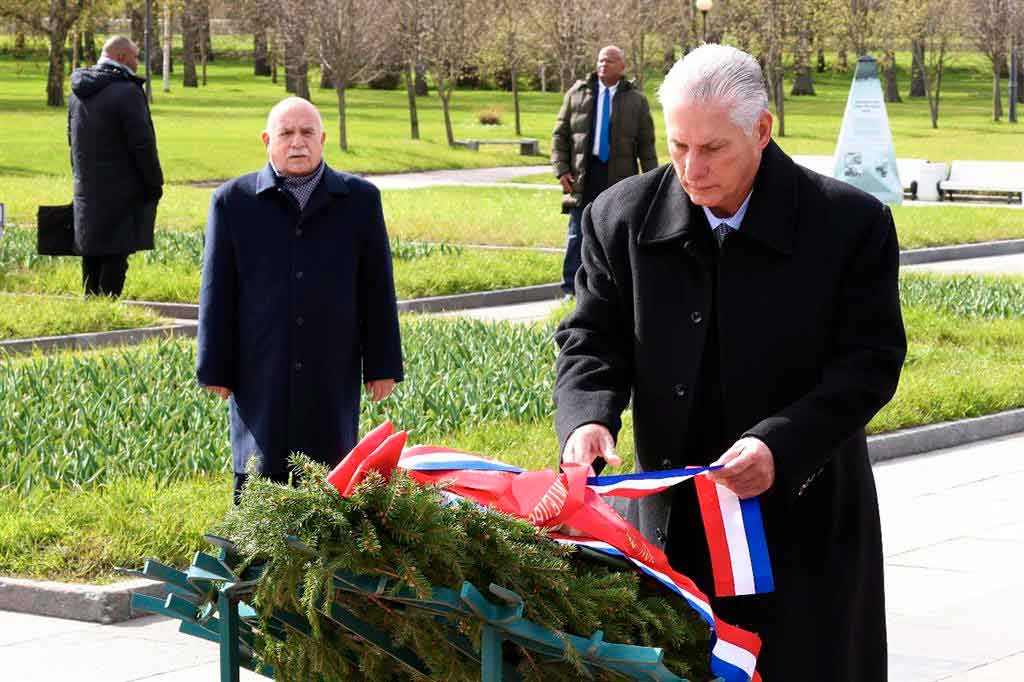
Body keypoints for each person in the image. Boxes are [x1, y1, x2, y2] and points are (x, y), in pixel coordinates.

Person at [553, 44, 906, 681]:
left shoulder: (850, 224)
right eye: (679, 145)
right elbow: (590, 339)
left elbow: (871, 363)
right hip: (673, 526)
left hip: (803, 521)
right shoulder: (620, 217)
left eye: (712, 149)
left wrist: (782, 444)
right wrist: (587, 419)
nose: (691, 169)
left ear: (762, 130)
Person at [196, 97, 404, 503]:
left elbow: (377, 288)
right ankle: (256, 559)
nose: (297, 143)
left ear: (323, 139)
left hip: (332, 365)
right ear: (266, 140)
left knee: (330, 472)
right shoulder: (231, 201)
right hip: (259, 366)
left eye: (307, 133)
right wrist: (214, 368)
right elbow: (216, 293)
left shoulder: (360, 200)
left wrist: (382, 366)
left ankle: (325, 563)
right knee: (260, 469)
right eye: (286, 133)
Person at [550, 45, 658, 297]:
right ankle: (570, 290)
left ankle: (614, 289)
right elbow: (560, 135)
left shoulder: (636, 101)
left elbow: (647, 147)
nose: (603, 65)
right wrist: (561, 170)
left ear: (622, 66)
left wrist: (652, 184)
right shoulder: (577, 94)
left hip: (619, 178)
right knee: (577, 232)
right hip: (584, 175)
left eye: (609, 61)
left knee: (615, 234)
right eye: (600, 60)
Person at [68, 36, 163, 297]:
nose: (137, 61)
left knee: (92, 251)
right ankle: (108, 313)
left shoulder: (77, 93)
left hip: (86, 187)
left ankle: (91, 311)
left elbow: (71, 141)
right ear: (121, 57)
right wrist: (155, 182)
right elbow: (142, 145)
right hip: (121, 191)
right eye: (135, 56)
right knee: (115, 254)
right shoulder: (127, 91)